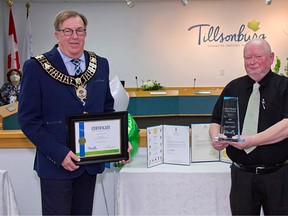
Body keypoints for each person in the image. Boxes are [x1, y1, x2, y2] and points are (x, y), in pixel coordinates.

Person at [18, 10, 131, 215]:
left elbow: (106, 109)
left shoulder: (100, 64)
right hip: (56, 165)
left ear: (86, 34)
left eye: (80, 30)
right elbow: (28, 120)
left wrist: (120, 142)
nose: (74, 36)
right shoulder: (36, 67)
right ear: (57, 35)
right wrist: (60, 154)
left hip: (89, 165)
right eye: (67, 31)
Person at [209, 38, 288, 215]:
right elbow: (215, 120)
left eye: (258, 56)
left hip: (278, 176)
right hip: (241, 177)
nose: (252, 62)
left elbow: (286, 127)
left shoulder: (284, 87)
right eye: (247, 57)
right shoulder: (233, 87)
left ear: (271, 57)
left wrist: (251, 141)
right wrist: (216, 138)